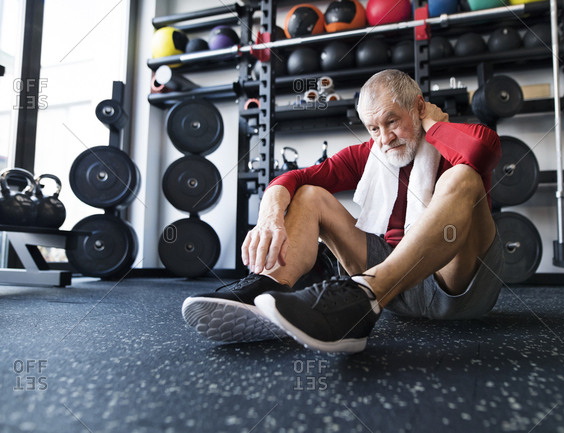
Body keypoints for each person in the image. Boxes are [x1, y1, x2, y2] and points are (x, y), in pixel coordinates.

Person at [182, 69, 504, 353]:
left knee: (463, 175)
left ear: (417, 106)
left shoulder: (451, 139)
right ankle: (267, 293)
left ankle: (363, 298)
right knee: (310, 194)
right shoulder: (371, 154)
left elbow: (482, 151)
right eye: (373, 129)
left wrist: (433, 125)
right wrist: (269, 217)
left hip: (455, 284)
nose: (385, 139)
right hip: (397, 290)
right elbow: (295, 178)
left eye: (392, 121)